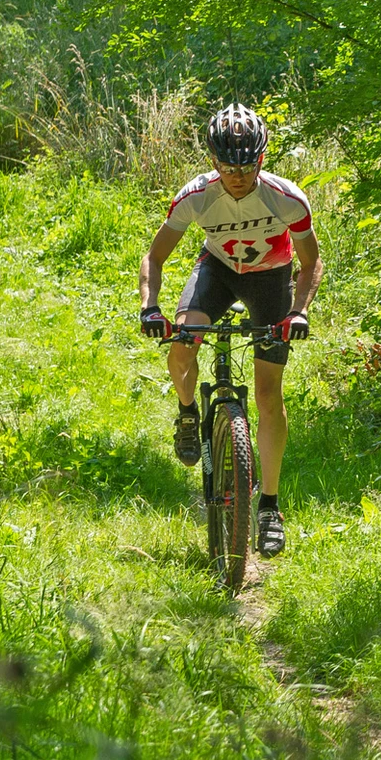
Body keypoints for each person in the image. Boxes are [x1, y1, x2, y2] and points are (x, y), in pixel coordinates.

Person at [137, 103, 323, 558]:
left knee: (267, 395)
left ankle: (269, 509)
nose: (236, 176)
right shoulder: (196, 196)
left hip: (271, 278)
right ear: (213, 162)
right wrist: (150, 307)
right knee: (182, 341)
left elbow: (310, 262)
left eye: (246, 166)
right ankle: (187, 414)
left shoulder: (286, 197)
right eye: (226, 167)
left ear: (261, 159)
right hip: (218, 270)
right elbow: (155, 257)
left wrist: (297, 312)